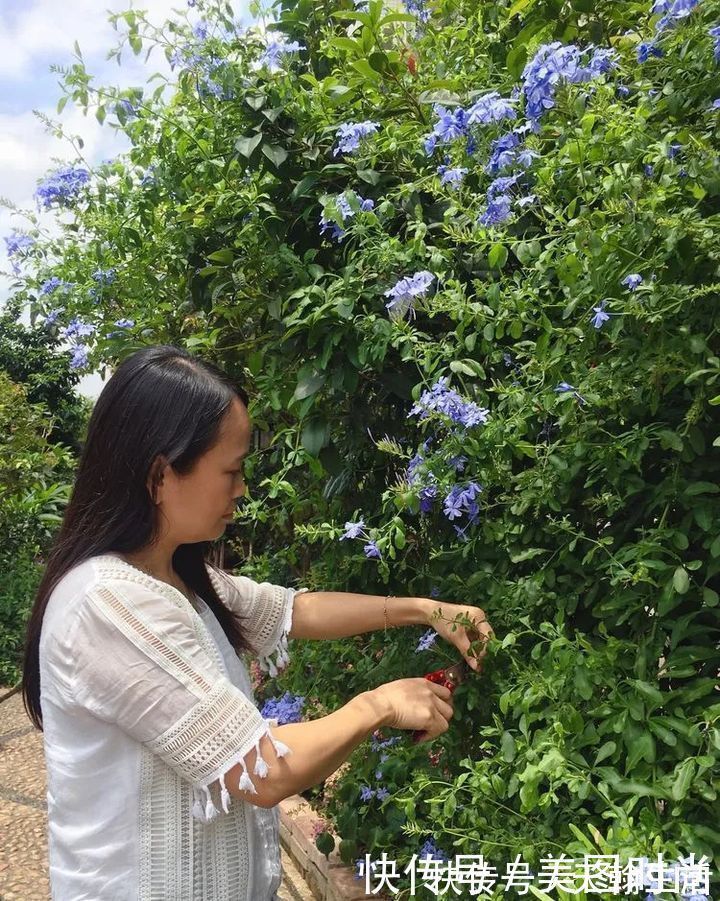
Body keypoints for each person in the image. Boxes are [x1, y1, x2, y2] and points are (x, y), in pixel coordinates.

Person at [21, 344, 492, 900]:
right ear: (160, 474)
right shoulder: (109, 604)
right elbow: (264, 771)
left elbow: (295, 610)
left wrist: (424, 611)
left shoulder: (176, 576)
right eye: (231, 469)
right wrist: (379, 705)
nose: (241, 488)